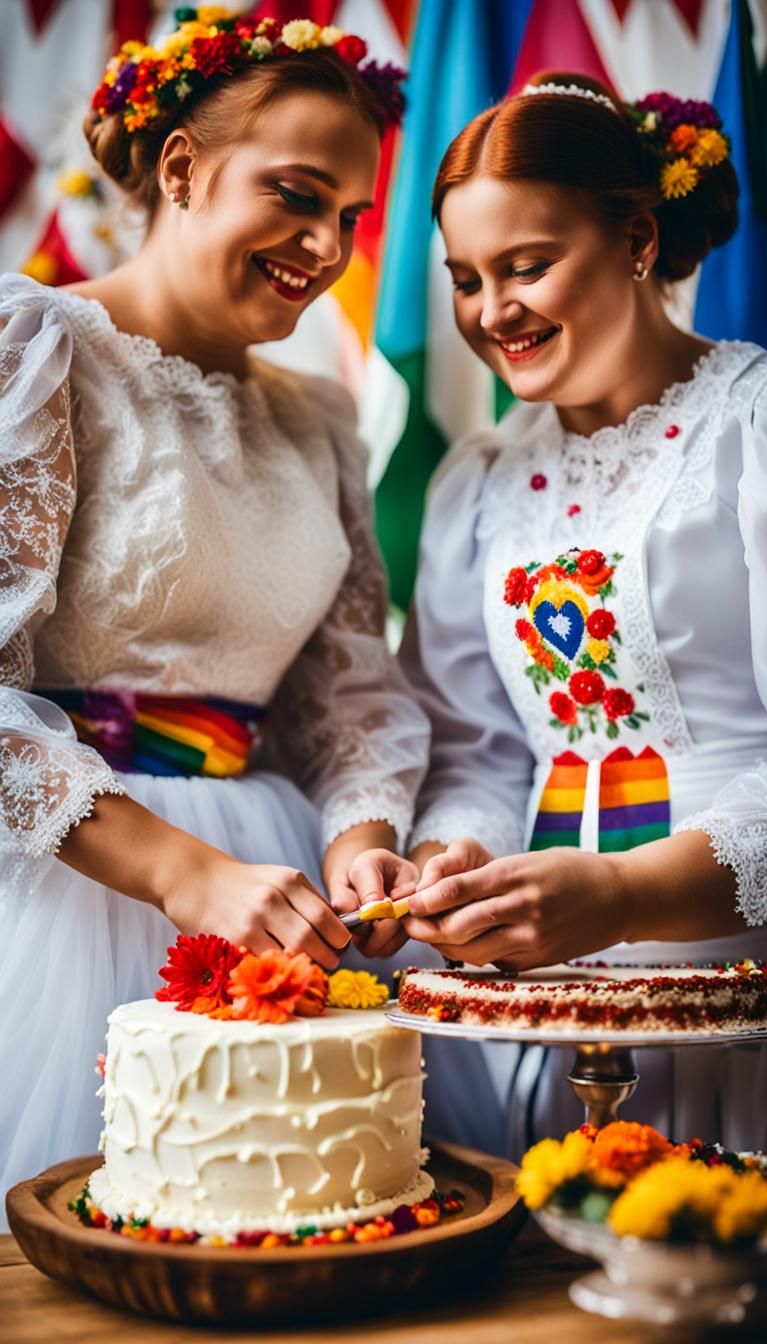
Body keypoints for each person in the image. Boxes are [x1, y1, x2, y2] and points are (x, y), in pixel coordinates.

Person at [0, 12, 428, 1217]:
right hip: (69, 887)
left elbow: (349, 689)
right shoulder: (34, 349)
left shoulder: (321, 418)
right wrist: (185, 876)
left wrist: (356, 840)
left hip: (280, 887)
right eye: (296, 196)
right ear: (181, 169)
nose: (326, 245)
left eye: (349, 215)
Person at [396, 74, 767, 1155]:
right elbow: (475, 746)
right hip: (539, 1001)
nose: (490, 312)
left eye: (527, 266)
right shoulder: (477, 481)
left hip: (730, 968)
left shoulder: (749, 429)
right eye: (467, 280)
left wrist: (621, 891)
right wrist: (456, 859)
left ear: (637, 237)